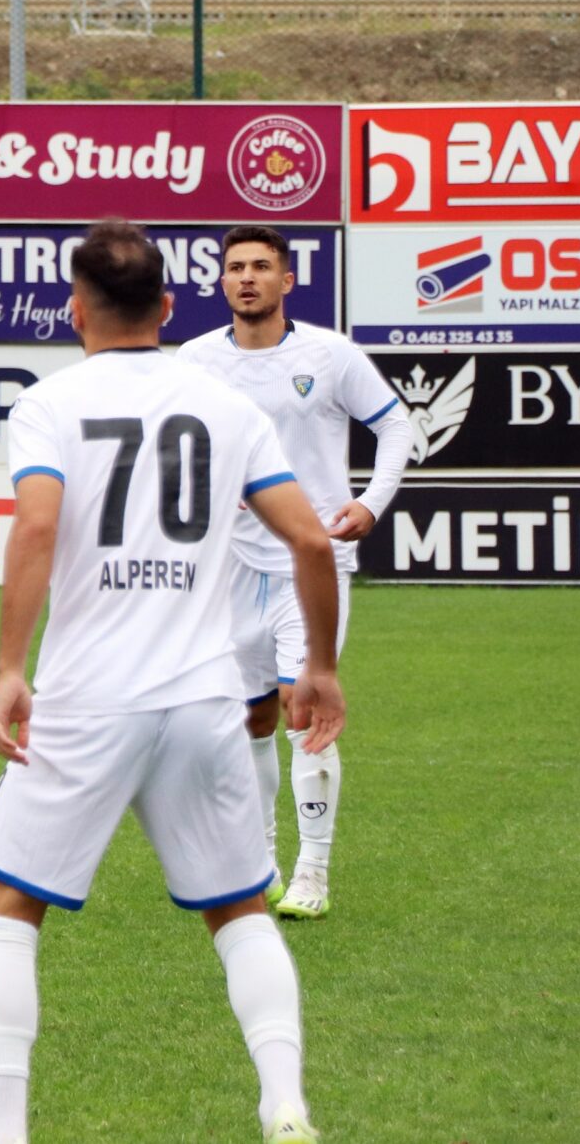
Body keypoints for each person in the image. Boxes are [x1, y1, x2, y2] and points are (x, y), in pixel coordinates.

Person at [0, 219, 346, 1144]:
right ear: (170, 306)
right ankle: (284, 1103)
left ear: (74, 309)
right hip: (203, 696)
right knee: (239, 908)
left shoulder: (50, 404)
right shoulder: (225, 404)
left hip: (90, 697)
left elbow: (38, 529)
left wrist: (13, 666)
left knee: (7, 903)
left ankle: (6, 1129)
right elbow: (308, 536)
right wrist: (321, 667)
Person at [179, 224, 408, 921]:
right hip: (232, 562)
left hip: (313, 561)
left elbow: (396, 423)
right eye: (235, 267)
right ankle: (262, 859)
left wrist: (370, 502)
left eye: (261, 266)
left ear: (287, 280)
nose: (246, 277)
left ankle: (313, 870)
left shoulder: (330, 355)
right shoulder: (193, 360)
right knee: (250, 713)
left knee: (300, 705)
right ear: (222, 282)